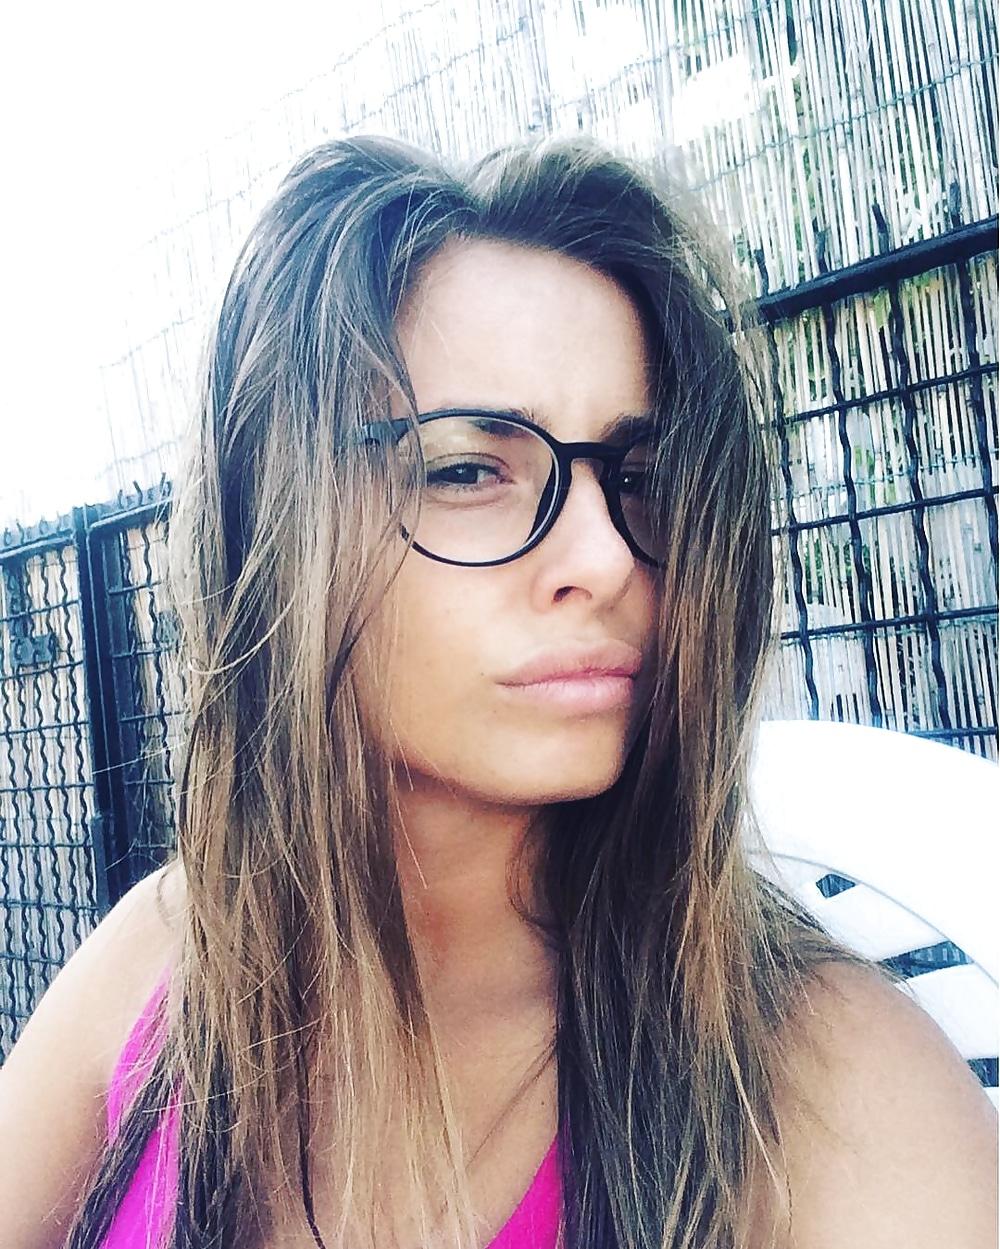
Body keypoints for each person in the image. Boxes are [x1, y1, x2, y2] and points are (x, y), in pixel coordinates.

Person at [1, 134, 995, 1249]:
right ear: (278, 529)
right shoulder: (167, 964)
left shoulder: (829, 1088)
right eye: (469, 469)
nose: (607, 558)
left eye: (637, 477)